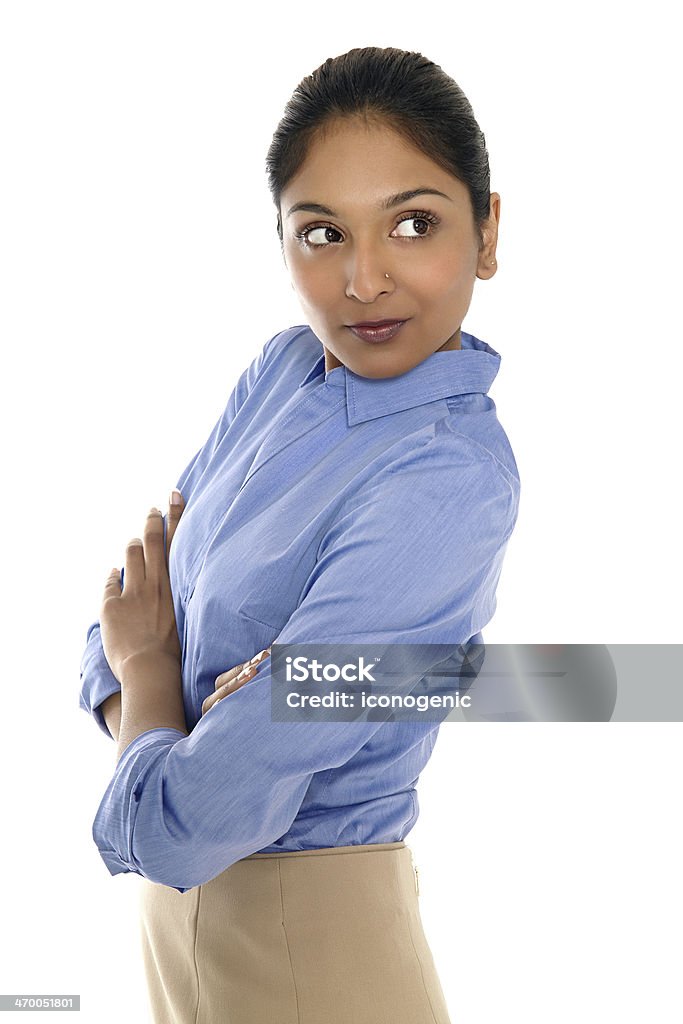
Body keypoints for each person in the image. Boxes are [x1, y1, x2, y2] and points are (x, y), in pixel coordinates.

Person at [78, 45, 520, 1024]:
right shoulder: (284, 372)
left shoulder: (446, 482)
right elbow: (110, 630)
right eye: (322, 233)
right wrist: (186, 707)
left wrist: (160, 682)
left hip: (318, 961)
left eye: (413, 224)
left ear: (486, 233)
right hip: (176, 950)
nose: (363, 280)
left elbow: (193, 819)